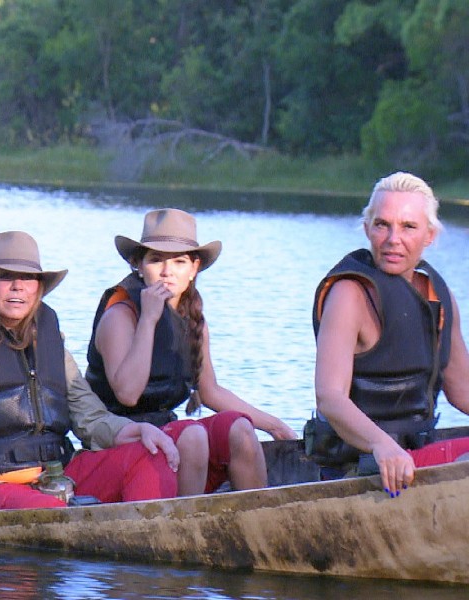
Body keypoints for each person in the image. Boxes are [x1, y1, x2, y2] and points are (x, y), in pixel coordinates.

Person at [0, 231, 181, 538]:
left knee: (150, 455)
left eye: (28, 278)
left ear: (39, 287)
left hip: (57, 478)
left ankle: (146, 544)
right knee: (49, 514)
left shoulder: (50, 339)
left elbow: (90, 418)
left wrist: (136, 430)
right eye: (5, 276)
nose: (18, 287)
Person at [85, 208, 297, 496]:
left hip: (166, 435)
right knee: (193, 435)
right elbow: (128, 393)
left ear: (194, 268)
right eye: (156, 260)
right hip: (119, 442)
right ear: (138, 265)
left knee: (239, 428)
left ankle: (257, 522)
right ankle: (187, 529)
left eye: (179, 261)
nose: (167, 271)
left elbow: (211, 393)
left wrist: (274, 426)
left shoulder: (193, 318)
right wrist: (149, 319)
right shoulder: (121, 315)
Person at [310, 171, 469, 497]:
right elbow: (330, 398)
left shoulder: (438, 295)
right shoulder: (349, 294)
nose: (393, 238)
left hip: (416, 457)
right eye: (382, 225)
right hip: (364, 465)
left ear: (430, 235)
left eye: (408, 227)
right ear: (367, 229)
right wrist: (382, 445)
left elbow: (462, 390)